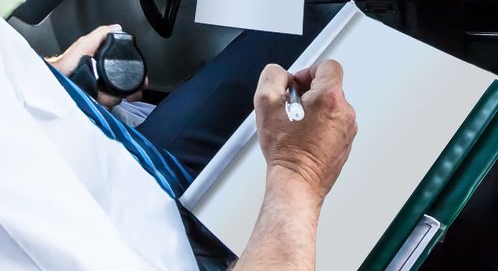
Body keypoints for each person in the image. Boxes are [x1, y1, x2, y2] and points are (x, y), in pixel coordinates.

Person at [0, 14, 356, 269]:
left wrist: (61, 80)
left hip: (133, 166)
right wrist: (299, 173)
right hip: (185, 244)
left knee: (308, 26)